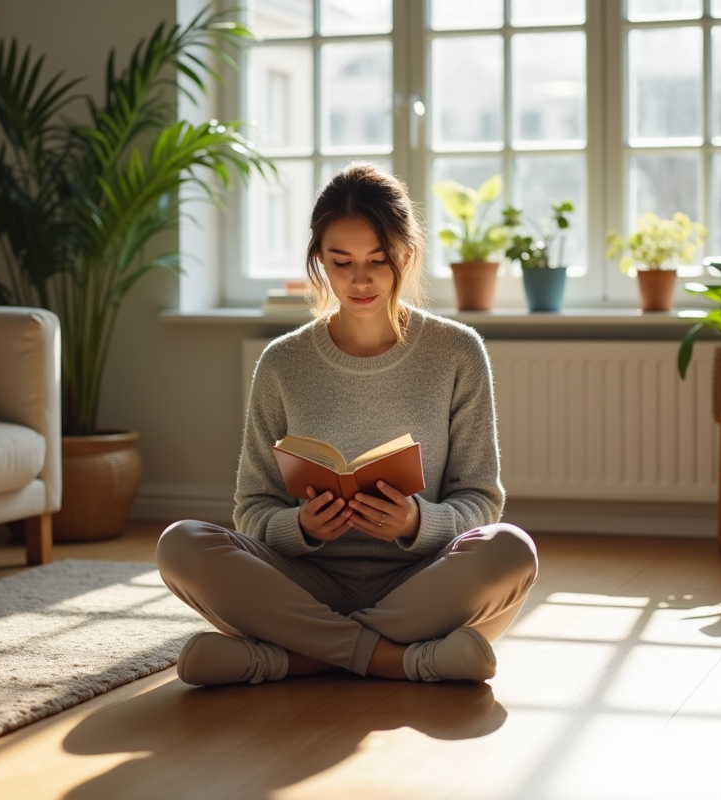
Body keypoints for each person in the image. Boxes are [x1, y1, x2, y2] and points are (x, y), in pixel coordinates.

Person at [157, 162, 538, 686]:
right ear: (319, 260)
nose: (360, 280)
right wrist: (302, 527)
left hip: (420, 581)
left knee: (511, 549)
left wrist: (416, 522)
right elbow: (253, 509)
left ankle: (287, 658)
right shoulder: (282, 363)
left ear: (408, 254)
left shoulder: (457, 352)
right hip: (304, 583)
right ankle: (402, 659)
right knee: (181, 543)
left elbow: (480, 500)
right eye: (341, 262)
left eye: (379, 260)